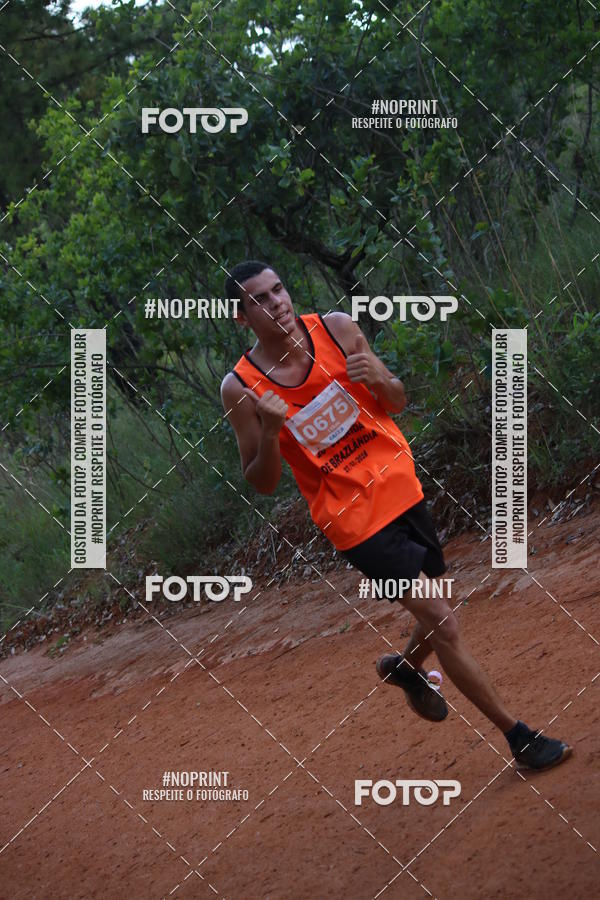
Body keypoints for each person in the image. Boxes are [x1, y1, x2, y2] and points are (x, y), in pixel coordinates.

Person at [220, 259, 571, 771]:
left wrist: (382, 377)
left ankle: (406, 669)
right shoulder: (243, 387)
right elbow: (262, 480)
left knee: (440, 607)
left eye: (279, 291)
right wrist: (272, 432)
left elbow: (398, 402)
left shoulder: (337, 330)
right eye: (261, 300)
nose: (278, 304)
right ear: (241, 316)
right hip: (353, 520)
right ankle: (519, 737)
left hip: (402, 489)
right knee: (444, 621)